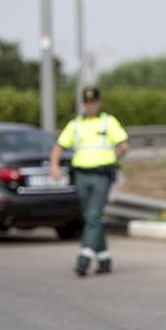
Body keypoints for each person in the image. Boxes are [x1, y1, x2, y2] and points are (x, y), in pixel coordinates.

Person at [49, 87, 129, 276]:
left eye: (93, 103)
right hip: (82, 175)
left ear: (99, 103)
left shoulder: (108, 122)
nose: (90, 106)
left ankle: (83, 259)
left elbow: (124, 144)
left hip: (102, 175)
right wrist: (54, 166)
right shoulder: (76, 125)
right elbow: (59, 146)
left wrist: (118, 152)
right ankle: (104, 259)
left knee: (93, 216)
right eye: (87, 103)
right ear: (83, 104)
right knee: (91, 217)